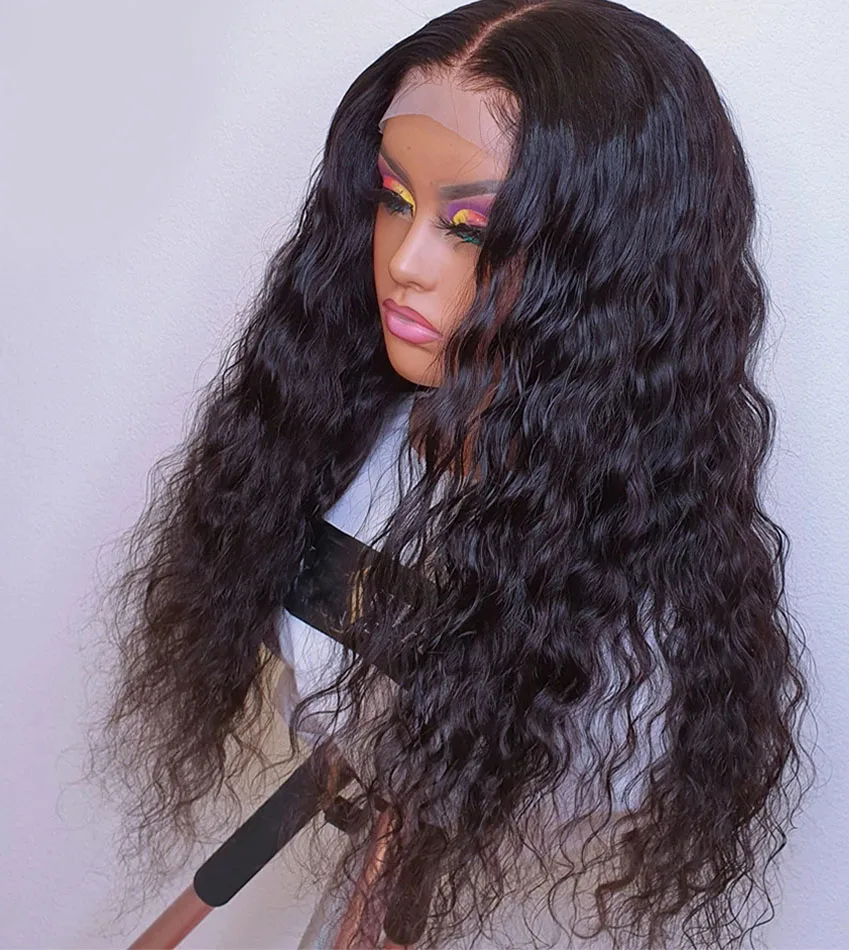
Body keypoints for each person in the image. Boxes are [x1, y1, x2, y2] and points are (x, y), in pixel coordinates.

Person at [91, 1, 812, 946]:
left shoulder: (628, 595)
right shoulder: (336, 440)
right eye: (394, 200)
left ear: (607, 262)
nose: (406, 262)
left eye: (471, 226)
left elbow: (581, 773)